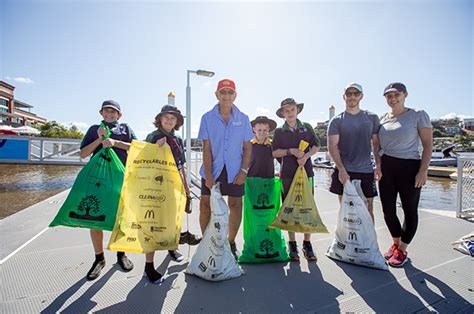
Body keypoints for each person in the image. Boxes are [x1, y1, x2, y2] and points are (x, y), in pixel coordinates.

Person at [377, 82, 433, 267]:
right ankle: (395, 244)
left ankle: (402, 249)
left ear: (405, 94)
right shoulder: (383, 118)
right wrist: (378, 165)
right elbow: (376, 145)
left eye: (396, 95)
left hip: (410, 167)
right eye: (388, 96)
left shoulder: (417, 115)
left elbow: (427, 145)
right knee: (388, 210)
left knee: (409, 210)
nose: (392, 99)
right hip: (387, 167)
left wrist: (423, 170)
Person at [144, 104, 201, 283]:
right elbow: (142, 159)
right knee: (152, 223)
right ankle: (149, 266)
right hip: (156, 184)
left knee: (174, 219)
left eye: (173, 118)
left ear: (177, 122)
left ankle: (172, 248)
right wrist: (155, 148)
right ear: (160, 119)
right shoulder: (153, 136)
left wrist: (186, 186)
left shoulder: (177, 138)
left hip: (175, 183)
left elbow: (182, 164)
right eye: (166, 117)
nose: (169, 121)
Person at [197, 78, 253, 260]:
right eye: (223, 92)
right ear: (217, 95)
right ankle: (207, 242)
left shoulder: (243, 119)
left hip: (235, 171)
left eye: (230, 92)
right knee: (205, 205)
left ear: (235, 96)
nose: (226, 96)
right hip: (212, 170)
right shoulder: (207, 118)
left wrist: (243, 171)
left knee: (235, 205)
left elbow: (248, 148)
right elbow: (206, 148)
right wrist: (209, 175)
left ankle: (231, 241)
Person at [79, 100, 135, 280]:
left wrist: (115, 142)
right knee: (94, 218)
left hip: (120, 178)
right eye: (107, 111)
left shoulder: (125, 128)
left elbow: (136, 148)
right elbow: (83, 154)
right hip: (98, 179)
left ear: (120, 115)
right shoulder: (94, 129)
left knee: (120, 218)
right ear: (101, 113)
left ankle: (121, 255)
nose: (110, 114)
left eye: (114, 112)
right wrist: (99, 138)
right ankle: (99, 259)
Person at [272, 98, 320, 261]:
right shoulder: (279, 131)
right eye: (286, 110)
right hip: (287, 174)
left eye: (292, 109)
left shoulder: (306, 127)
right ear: (282, 113)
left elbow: (316, 146)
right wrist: (291, 151)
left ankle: (307, 244)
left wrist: (305, 156)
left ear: (297, 110)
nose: (290, 113)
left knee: (308, 207)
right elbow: (274, 152)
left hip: (306, 173)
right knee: (289, 208)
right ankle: (292, 244)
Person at [327, 83, 381, 221]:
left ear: (361, 96)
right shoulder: (336, 120)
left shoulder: (372, 118)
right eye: (349, 94)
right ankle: (346, 241)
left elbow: (376, 145)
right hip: (345, 171)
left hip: (366, 170)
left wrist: (378, 166)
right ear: (344, 97)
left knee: (368, 208)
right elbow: (332, 146)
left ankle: (369, 241)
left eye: (356, 94)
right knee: (345, 208)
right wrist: (341, 170)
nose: (352, 96)